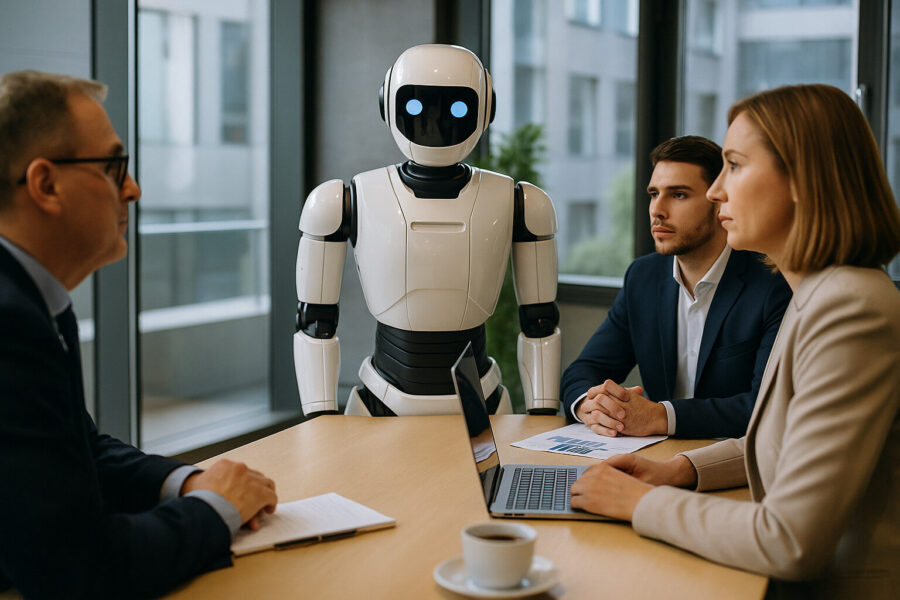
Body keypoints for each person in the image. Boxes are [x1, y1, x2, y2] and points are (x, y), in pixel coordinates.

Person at [570, 84, 900, 598]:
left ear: (802, 180)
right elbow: (778, 441)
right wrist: (674, 472)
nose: (718, 191)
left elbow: (791, 541)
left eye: (735, 166)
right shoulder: (816, 291)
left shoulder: (849, 307)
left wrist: (636, 503)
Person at [0, 71, 278, 599]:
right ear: (46, 184)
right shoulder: (9, 323)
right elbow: (81, 573)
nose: (133, 188)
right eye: (112, 167)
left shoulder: (33, 301)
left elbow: (77, 450)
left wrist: (188, 483)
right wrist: (218, 509)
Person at [561, 136, 791, 438]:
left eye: (679, 195)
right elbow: (583, 371)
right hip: (653, 457)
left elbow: (765, 406)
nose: (658, 209)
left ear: (720, 201)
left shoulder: (772, 283)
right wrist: (590, 407)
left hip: (734, 466)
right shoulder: (642, 277)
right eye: (654, 194)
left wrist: (660, 416)